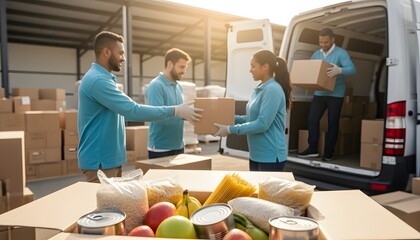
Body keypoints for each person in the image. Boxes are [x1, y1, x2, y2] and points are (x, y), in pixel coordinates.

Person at [77, 31, 203, 182]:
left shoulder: (104, 79)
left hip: (108, 160)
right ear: (106, 52)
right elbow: (132, 110)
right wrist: (175, 110)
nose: (123, 58)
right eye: (121, 53)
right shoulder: (98, 81)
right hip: (100, 162)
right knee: (105, 205)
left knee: (114, 204)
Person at [214, 49, 292, 171]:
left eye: (253, 66)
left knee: (265, 191)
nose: (250, 70)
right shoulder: (261, 88)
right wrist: (227, 119)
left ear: (265, 67)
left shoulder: (272, 89)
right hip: (257, 154)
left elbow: (262, 124)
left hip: (270, 155)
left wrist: (230, 130)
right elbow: (251, 119)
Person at [298, 28, 356, 161]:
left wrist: (339, 70)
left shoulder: (341, 53)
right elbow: (311, 71)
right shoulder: (316, 54)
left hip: (335, 94)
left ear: (332, 40)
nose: (323, 45)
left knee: (332, 123)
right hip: (319, 93)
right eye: (321, 42)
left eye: (326, 42)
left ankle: (329, 152)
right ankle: (312, 149)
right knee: (312, 120)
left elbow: (352, 70)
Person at [145, 48, 191, 159]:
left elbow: (180, 113)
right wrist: (184, 116)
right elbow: (157, 117)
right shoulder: (156, 86)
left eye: (185, 67)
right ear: (170, 64)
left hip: (179, 146)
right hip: (161, 148)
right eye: (181, 67)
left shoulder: (179, 86)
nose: (184, 71)